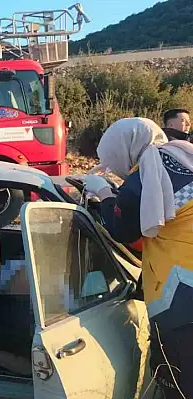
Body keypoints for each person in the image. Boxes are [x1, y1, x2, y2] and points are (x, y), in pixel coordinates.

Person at [82, 117, 193, 398]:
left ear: (125, 148)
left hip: (182, 299)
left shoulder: (148, 171)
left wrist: (104, 192)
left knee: (179, 382)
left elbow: (122, 228)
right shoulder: (181, 156)